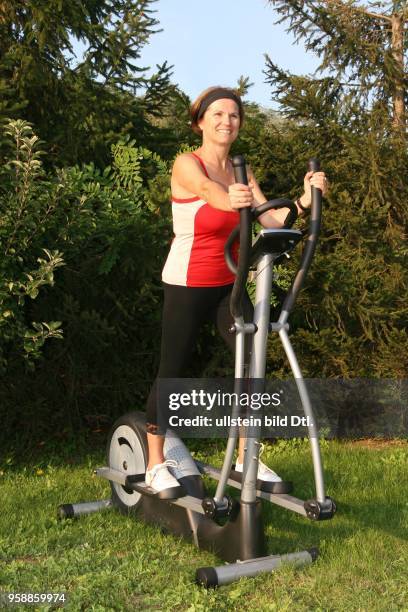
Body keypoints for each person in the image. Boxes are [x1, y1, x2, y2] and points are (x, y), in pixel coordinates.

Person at [144, 86, 328, 493]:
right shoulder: (187, 164)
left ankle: (248, 457)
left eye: (234, 115)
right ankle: (155, 462)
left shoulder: (243, 172)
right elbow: (212, 194)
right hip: (187, 282)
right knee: (172, 369)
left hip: (229, 282)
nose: (227, 121)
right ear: (200, 122)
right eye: (218, 115)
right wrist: (233, 197)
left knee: (251, 366)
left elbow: (273, 220)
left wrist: (304, 198)